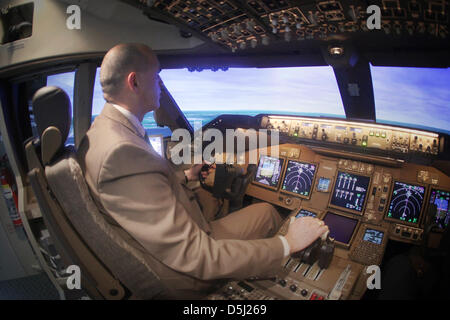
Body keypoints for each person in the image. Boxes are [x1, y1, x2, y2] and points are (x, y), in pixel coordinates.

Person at [77, 43, 329, 298]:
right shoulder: (120, 151)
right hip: (181, 275)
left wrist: (185, 176)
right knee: (267, 212)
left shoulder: (104, 131)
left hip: (157, 242)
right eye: (156, 78)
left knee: (211, 194)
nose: (159, 87)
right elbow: (196, 256)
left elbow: (140, 189)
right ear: (135, 82)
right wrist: (289, 243)